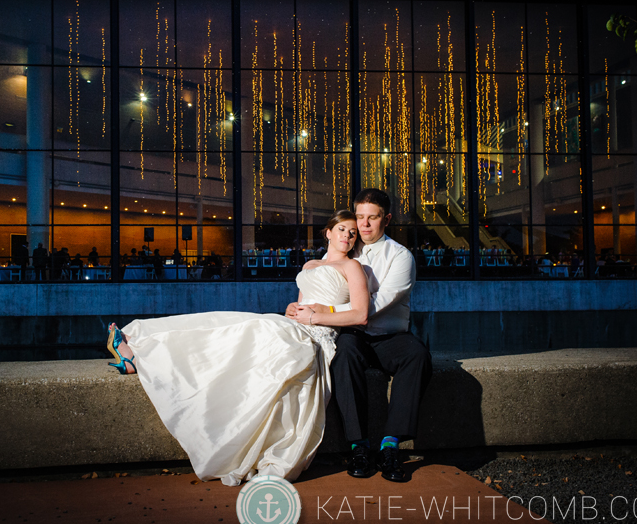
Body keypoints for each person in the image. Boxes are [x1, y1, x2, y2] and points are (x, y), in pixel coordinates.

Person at [106, 210, 369, 486]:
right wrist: (292, 308)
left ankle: (140, 356)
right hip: (297, 326)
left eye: (352, 233)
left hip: (316, 335)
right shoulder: (309, 266)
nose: (347, 236)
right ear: (328, 232)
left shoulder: (352, 267)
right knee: (226, 325)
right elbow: (301, 305)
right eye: (342, 230)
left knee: (241, 328)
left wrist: (317, 315)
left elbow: (360, 314)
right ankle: (139, 342)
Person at [287, 188, 431, 484]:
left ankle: (390, 445)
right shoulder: (346, 247)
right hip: (352, 333)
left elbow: (377, 304)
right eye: (359, 218)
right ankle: (358, 446)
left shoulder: (401, 257)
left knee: (417, 355)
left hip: (388, 335)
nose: (363, 226)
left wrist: (323, 309)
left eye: (372, 218)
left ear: (386, 219)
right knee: (345, 356)